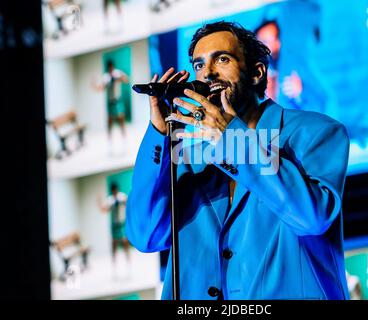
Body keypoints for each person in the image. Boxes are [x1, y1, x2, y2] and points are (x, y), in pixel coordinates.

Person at [126, 21, 350, 300]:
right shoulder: (189, 156)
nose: (207, 73)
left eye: (222, 59)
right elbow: (145, 236)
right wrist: (159, 133)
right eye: (198, 65)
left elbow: (311, 218)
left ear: (257, 73)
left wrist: (231, 138)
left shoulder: (315, 132)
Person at [255, 20, 303, 105]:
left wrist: (299, 94)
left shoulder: (293, 71)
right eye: (259, 42)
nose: (261, 47)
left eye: (265, 41)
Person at [92, 60, 129, 154]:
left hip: (118, 100)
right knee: (110, 122)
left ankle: (124, 142)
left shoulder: (117, 73)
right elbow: (101, 88)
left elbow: (126, 80)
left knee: (121, 120)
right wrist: (94, 85)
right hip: (111, 102)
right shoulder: (106, 77)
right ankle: (110, 144)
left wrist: (118, 78)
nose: (110, 68)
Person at [98, 182, 131, 278]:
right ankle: (114, 268)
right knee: (114, 246)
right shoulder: (110, 200)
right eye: (113, 191)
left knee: (125, 244)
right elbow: (104, 210)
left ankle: (128, 265)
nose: (114, 192)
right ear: (112, 191)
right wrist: (99, 203)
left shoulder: (122, 197)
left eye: (115, 190)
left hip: (122, 223)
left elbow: (128, 205)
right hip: (115, 225)